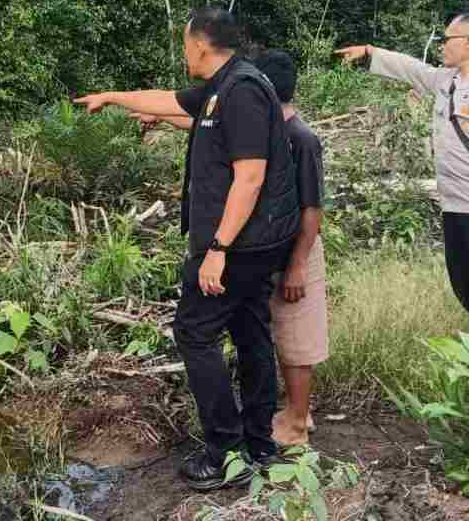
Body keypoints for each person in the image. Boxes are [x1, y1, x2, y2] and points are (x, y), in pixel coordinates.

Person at [75, 5, 299, 491]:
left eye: (184, 42)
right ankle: (259, 443)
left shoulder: (239, 92)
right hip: (252, 243)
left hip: (238, 245)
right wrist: (112, 98)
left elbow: (251, 175)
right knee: (250, 330)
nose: (183, 52)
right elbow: (170, 101)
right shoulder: (226, 86)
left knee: (195, 333)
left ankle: (224, 449)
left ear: (200, 43)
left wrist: (217, 248)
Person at [137, 50, 328, 450]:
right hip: (258, 246)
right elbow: (199, 120)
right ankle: (262, 427)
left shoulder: (301, 139)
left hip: (291, 248)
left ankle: (295, 418)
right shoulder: (258, 122)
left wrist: (295, 266)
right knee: (257, 330)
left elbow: (312, 211)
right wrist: (152, 114)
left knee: (295, 336)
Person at [335, 10, 469, 354]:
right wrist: (371, 53)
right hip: (453, 205)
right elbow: (412, 69)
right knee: (465, 283)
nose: (441, 46)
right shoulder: (447, 81)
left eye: (446, 39)